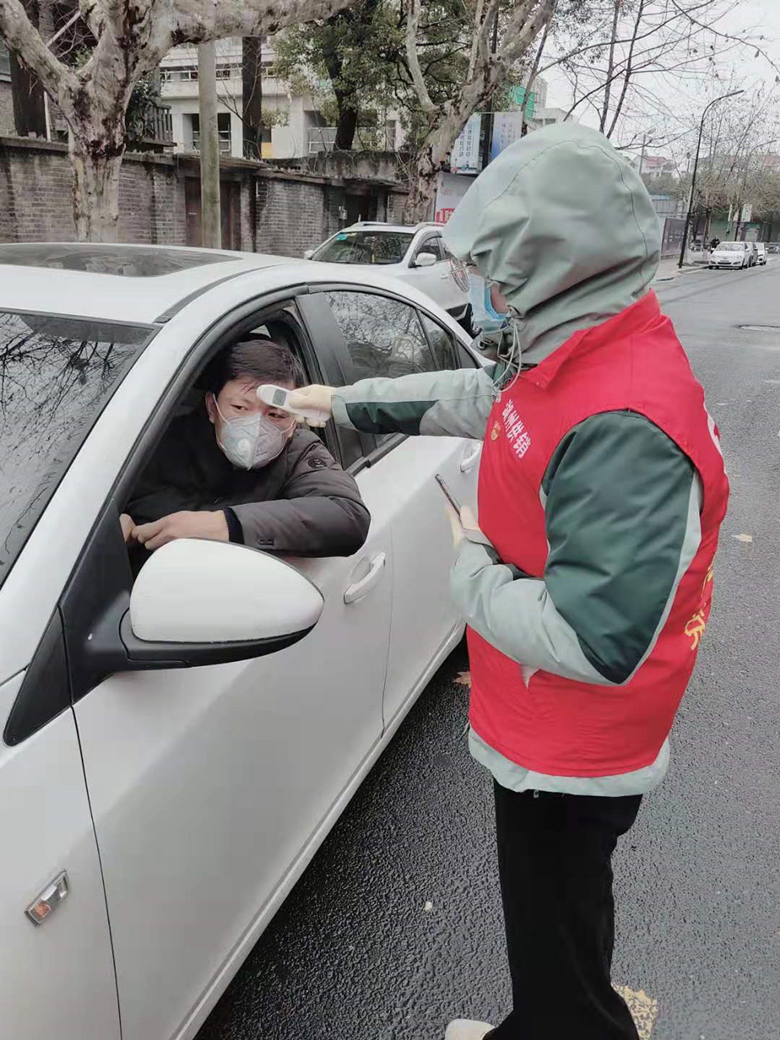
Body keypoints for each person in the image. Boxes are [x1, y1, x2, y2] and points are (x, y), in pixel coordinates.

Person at [287, 123, 729, 1040]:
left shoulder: (624, 419)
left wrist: (471, 567)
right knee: (557, 927)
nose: (479, 283)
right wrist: (343, 401)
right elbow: (485, 397)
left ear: (552, 263)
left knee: (555, 932)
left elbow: (596, 641)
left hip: (573, 744)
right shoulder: (574, 352)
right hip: (540, 715)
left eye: (492, 264)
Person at [121, 338, 370, 558]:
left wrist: (227, 524)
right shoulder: (156, 443)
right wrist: (118, 527)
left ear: (294, 421)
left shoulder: (299, 453)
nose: (256, 427)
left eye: (275, 414)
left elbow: (347, 516)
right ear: (212, 407)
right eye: (240, 408)